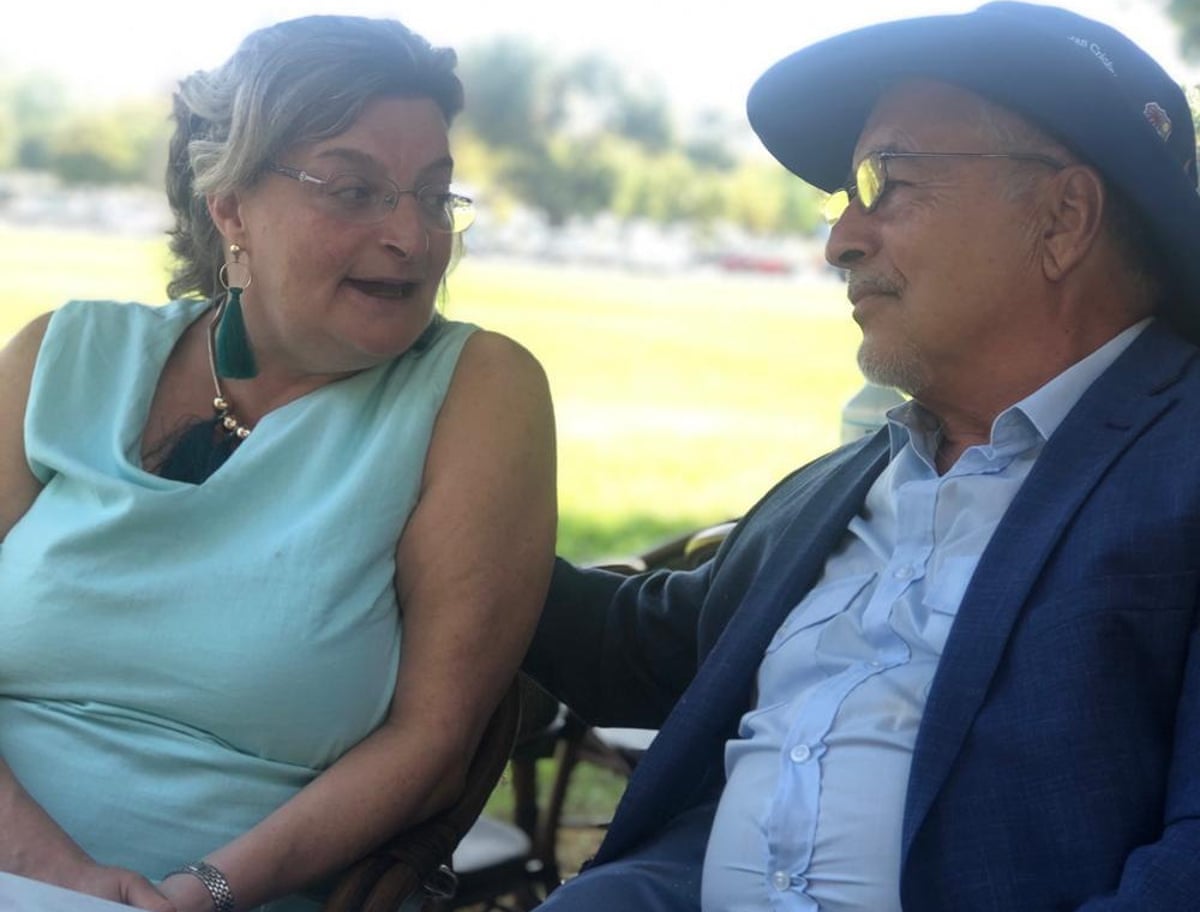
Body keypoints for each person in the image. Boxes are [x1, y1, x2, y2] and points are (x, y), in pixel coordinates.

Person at [525, 3, 1200, 910]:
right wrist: (412, 488)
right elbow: (641, 646)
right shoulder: (845, 484)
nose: (840, 239)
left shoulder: (1178, 460)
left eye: (887, 180)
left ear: (1062, 218)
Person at [0, 15, 556, 912]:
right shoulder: (56, 357)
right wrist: (55, 874)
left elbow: (432, 741)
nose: (412, 238)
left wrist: (205, 891)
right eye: (355, 190)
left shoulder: (475, 392)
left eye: (433, 194)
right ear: (230, 208)